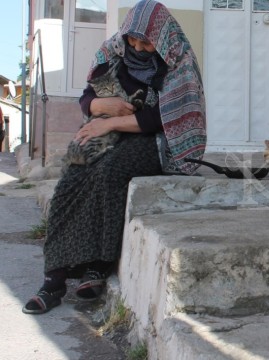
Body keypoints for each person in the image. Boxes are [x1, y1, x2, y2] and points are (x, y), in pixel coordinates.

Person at [23, 0, 206, 314]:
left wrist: (109, 123)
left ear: (161, 38)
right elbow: (87, 98)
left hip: (161, 140)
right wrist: (101, 109)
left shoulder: (179, 62)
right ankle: (54, 277)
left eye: (146, 42)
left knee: (110, 170)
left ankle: (98, 264)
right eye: (132, 40)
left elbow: (163, 118)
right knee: (73, 175)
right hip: (112, 129)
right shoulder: (113, 51)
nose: (137, 47)